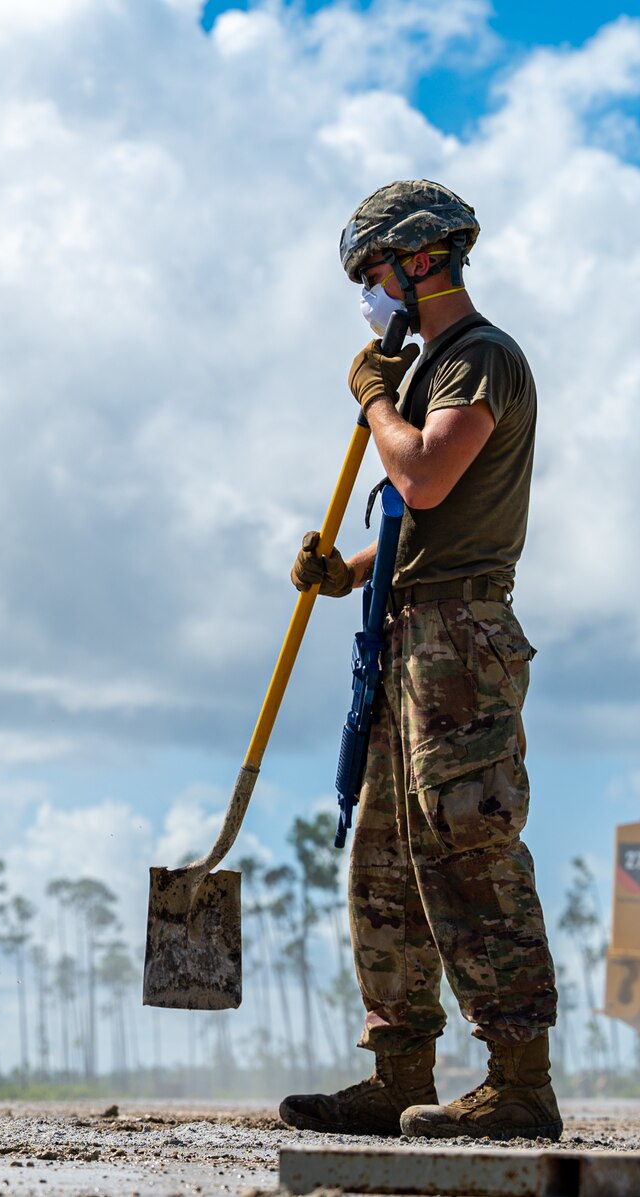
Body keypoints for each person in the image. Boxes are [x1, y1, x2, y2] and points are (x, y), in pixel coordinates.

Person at [277, 180, 561, 1140]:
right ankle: (397, 1070)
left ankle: (519, 1079)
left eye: (373, 272)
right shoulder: (430, 369)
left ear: (420, 260)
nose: (370, 291)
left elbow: (428, 476)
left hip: (460, 643)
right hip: (409, 630)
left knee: (468, 846)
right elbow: (412, 524)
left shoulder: (479, 360)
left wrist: (370, 402)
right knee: (386, 863)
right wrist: (345, 574)